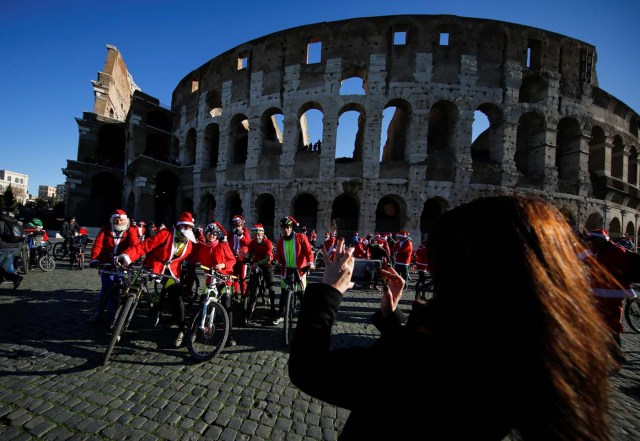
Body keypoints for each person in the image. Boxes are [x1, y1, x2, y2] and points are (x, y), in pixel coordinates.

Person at [289, 196, 615, 441]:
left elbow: (310, 368)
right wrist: (392, 320)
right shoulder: (522, 353)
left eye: (440, 268)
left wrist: (329, 290)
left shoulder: (433, 362)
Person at [115, 212, 198, 347]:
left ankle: (182, 330)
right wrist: (128, 256)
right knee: (132, 292)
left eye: (189, 230)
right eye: (184, 232)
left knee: (177, 298)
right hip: (152, 266)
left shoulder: (189, 245)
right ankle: (119, 327)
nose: (186, 236)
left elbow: (199, 254)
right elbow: (144, 246)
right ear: (179, 228)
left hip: (170, 272)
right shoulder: (165, 234)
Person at [584, 228, 636, 361]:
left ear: (601, 240)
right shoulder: (597, 251)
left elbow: (614, 271)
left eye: (593, 240)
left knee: (613, 323)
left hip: (614, 293)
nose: (591, 243)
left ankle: (618, 354)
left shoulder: (617, 251)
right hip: (599, 292)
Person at [189, 221, 237, 346]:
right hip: (210, 280)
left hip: (225, 279)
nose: (212, 236)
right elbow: (194, 257)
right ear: (206, 234)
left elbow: (233, 260)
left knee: (227, 303)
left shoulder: (222, 245)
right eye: (210, 233)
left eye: (215, 234)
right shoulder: (203, 248)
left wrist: (223, 265)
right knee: (202, 302)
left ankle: (229, 335)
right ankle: (194, 332)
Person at [87, 209, 140, 322]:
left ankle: (123, 314)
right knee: (106, 289)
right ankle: (100, 313)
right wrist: (94, 259)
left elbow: (135, 246)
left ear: (126, 221)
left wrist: (127, 257)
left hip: (123, 264)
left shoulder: (130, 230)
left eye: (121, 220)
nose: (119, 222)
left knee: (124, 290)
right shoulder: (105, 230)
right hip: (108, 264)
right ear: (112, 220)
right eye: (116, 220)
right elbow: (98, 245)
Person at [273, 216, 315, 325]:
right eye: (283, 228)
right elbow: (277, 255)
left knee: (301, 294)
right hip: (285, 270)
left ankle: (307, 316)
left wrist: (310, 263)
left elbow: (308, 252)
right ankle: (281, 315)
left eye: (287, 227)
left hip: (300, 270)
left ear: (291, 228)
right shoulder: (280, 241)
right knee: (283, 294)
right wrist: (277, 262)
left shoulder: (301, 237)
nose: (285, 230)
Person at [245, 224, 277, 323]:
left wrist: (257, 263)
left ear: (263, 234)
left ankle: (272, 307)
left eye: (259, 235)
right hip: (256, 264)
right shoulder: (251, 243)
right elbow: (249, 254)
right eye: (255, 235)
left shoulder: (268, 243)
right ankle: (249, 301)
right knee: (252, 282)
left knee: (271, 286)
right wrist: (246, 259)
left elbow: (268, 258)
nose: (257, 237)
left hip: (267, 264)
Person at [227, 214, 251, 299]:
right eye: (235, 222)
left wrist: (241, 235)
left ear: (242, 223)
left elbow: (248, 242)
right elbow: (227, 242)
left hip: (242, 258)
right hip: (233, 258)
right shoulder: (231, 232)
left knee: (242, 278)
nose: (237, 224)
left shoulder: (245, 231)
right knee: (234, 277)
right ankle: (236, 294)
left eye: (238, 222)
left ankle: (244, 296)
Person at [0, 210, 24, 288]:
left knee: (2, 267)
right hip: (15, 247)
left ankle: (14, 278)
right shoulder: (14, 222)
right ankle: (14, 277)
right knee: (6, 266)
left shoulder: (1, 222)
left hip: (3, 247)